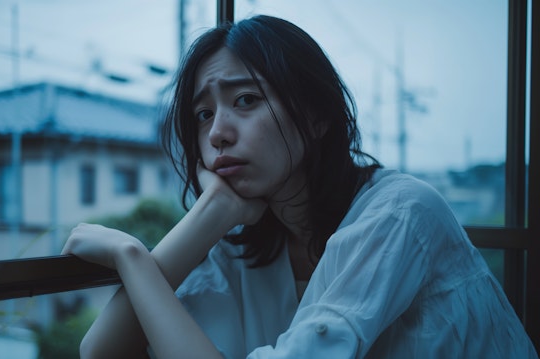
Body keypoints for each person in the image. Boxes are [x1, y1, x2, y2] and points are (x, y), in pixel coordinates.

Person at [62, 15, 538, 358]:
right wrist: (213, 213)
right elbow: (100, 350)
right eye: (203, 114)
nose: (216, 133)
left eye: (245, 100)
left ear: (316, 116)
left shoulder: (400, 213)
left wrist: (132, 258)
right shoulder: (243, 242)